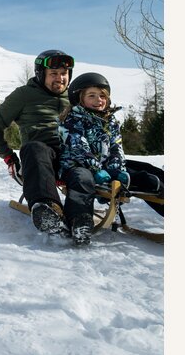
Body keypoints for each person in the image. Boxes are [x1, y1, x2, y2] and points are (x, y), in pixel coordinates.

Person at [58, 73, 164, 245]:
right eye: (91, 95)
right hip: (77, 165)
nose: (98, 100)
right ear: (79, 98)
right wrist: (96, 169)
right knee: (82, 179)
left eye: (102, 96)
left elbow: (116, 147)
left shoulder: (110, 121)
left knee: (148, 173)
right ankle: (80, 222)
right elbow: (78, 147)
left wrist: (115, 169)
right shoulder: (72, 119)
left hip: (106, 167)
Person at [0, 49, 73, 234]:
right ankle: (48, 209)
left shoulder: (75, 97)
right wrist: (9, 158)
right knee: (35, 148)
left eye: (64, 73)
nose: (60, 78)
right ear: (41, 74)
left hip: (73, 157)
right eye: (53, 73)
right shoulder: (24, 95)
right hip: (40, 158)